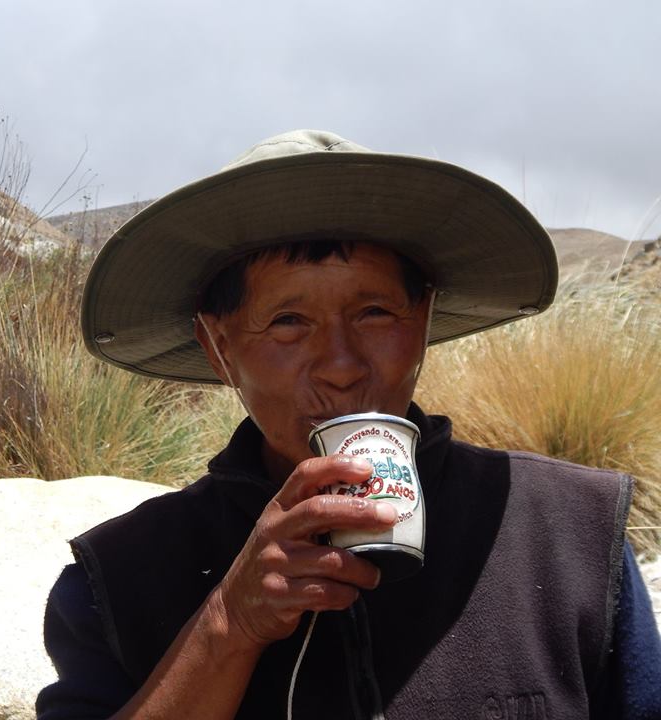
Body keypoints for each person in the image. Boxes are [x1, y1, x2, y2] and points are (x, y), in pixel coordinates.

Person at [37, 130, 661, 719]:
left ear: (423, 321)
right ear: (218, 347)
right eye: (288, 322)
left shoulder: (570, 529)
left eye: (375, 312)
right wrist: (229, 623)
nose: (341, 366)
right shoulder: (118, 579)